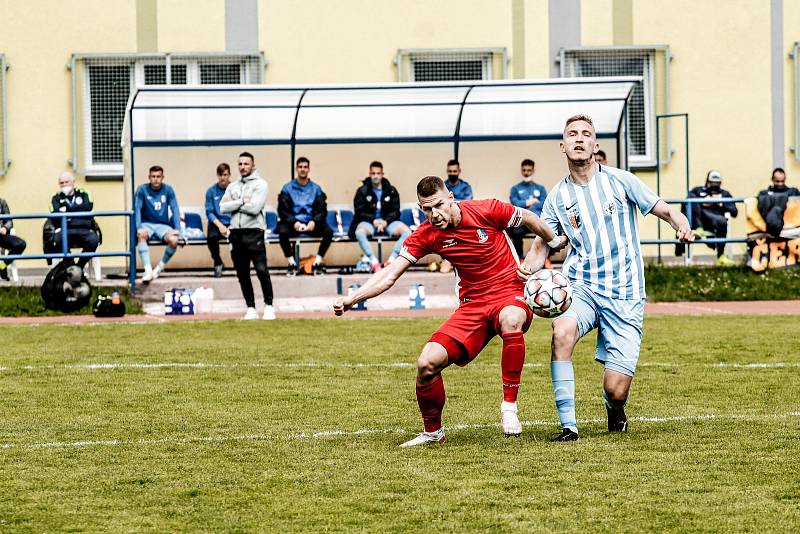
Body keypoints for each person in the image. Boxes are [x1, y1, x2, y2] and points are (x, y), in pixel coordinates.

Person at [333, 176, 567, 447]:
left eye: (439, 206)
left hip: (509, 292)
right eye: (426, 209)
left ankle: (509, 408)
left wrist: (553, 239)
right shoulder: (427, 233)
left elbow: (527, 216)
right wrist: (353, 298)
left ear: (451, 198)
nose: (434, 214)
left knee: (510, 319)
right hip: (472, 305)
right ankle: (433, 433)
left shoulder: (486, 209)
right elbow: (390, 274)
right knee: (426, 364)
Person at [519, 114, 693, 442]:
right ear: (563, 146)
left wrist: (680, 225)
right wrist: (529, 268)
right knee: (562, 333)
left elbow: (667, 210)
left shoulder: (621, 181)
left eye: (586, 134)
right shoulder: (556, 196)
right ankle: (569, 426)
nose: (579, 139)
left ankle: (615, 408)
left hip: (625, 291)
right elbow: (542, 243)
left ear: (595, 145)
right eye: (573, 134)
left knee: (615, 388)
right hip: (581, 286)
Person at [220, 152, 274, 320]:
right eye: (240, 164)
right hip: (235, 233)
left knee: (261, 270)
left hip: (254, 232)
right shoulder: (233, 186)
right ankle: (250, 307)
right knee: (242, 273)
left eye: (246, 164)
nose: (243, 167)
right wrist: (242, 201)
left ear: (253, 165)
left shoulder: (261, 184)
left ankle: (269, 306)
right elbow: (222, 207)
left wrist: (235, 204)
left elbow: (255, 208)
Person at [349, 161, 412, 271]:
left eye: (378, 173)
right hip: (369, 223)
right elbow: (359, 211)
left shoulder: (391, 190)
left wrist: (385, 222)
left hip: (388, 223)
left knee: (407, 232)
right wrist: (373, 220)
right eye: (373, 173)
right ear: (369, 174)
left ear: (382, 174)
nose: (375, 176)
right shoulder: (362, 191)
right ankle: (374, 262)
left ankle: (391, 261)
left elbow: (396, 211)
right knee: (359, 232)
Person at [277, 157, 333, 276]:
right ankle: (292, 263)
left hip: (311, 223)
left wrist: (314, 222)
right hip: (293, 223)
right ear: (296, 169)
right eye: (300, 167)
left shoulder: (316, 189)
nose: (303, 169)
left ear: (309, 169)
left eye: (305, 167)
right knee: (282, 231)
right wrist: (294, 222)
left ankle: (317, 262)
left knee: (328, 231)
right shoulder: (287, 188)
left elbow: (322, 210)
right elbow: (282, 210)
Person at [675, 170, 738, 265]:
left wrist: (720, 203)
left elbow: (734, 212)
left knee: (723, 221)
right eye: (711, 183)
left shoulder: (724, 194)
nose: (714, 186)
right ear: (707, 181)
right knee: (692, 199)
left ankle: (720, 256)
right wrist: (702, 201)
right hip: (698, 220)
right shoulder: (697, 191)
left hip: (716, 221)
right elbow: (685, 205)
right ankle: (698, 229)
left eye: (717, 184)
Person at [133, 165, 184, 282]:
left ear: (163, 177)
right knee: (141, 235)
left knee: (174, 240)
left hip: (162, 225)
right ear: (149, 177)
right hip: (147, 224)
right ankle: (148, 270)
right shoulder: (142, 189)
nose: (155, 179)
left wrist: (177, 229)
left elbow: (175, 208)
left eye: (158, 176)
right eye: (153, 176)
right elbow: (137, 209)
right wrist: (139, 228)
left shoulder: (168, 189)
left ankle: (159, 269)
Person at [44, 171, 100, 268]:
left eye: (67, 182)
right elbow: (55, 212)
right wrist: (78, 211)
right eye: (62, 183)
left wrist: (68, 209)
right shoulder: (56, 197)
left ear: (73, 182)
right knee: (57, 240)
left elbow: (88, 206)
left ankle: (79, 267)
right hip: (65, 229)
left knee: (93, 240)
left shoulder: (84, 194)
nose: (64, 185)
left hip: (84, 229)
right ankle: (71, 267)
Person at [436, 159, 475, 274]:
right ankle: (447, 259)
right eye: (450, 171)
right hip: (446, 221)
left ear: (459, 171)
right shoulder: (442, 186)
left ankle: (463, 259)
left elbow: (467, 204)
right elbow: (439, 204)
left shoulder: (466, 187)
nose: (452, 173)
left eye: (455, 171)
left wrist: (449, 203)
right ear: (447, 171)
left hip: (462, 219)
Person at [508, 158, 548, 258]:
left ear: (533, 170)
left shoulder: (540, 188)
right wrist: (530, 202)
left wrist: (524, 204)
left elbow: (544, 204)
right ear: (521, 170)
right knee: (515, 230)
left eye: (529, 170)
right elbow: (515, 204)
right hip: (523, 222)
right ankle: (519, 258)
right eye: (524, 170)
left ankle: (546, 258)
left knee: (550, 229)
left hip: (538, 221)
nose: (526, 173)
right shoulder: (515, 188)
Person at [205, 162, 232, 278]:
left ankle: (240, 265)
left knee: (240, 239)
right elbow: (209, 212)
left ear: (229, 175)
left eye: (225, 175)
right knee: (211, 237)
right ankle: (218, 262)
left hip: (233, 223)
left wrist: (232, 225)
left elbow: (241, 209)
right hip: (217, 223)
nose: (223, 178)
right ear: (217, 175)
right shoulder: (211, 191)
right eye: (220, 175)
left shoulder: (236, 190)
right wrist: (220, 226)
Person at [756, 168, 800, 237]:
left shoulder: (793, 192)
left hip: (789, 227)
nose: (780, 184)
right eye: (777, 181)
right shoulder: (764, 194)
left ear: (785, 179)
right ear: (772, 180)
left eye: (782, 181)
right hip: (772, 226)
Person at [0, 196, 26, 281]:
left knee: (21, 244)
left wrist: (5, 228)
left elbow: (9, 221)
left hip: (1, 236)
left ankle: (2, 265)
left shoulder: (2, 202)